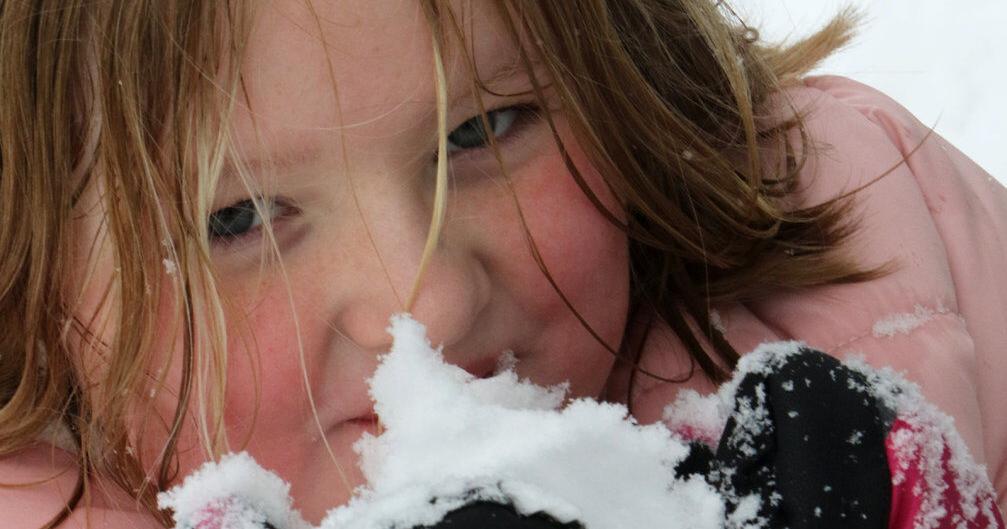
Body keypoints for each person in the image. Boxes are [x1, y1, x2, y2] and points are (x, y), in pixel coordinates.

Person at [0, 1, 1003, 528]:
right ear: (31, 284)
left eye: (485, 128)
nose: (424, 298)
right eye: (241, 217)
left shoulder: (873, 232)